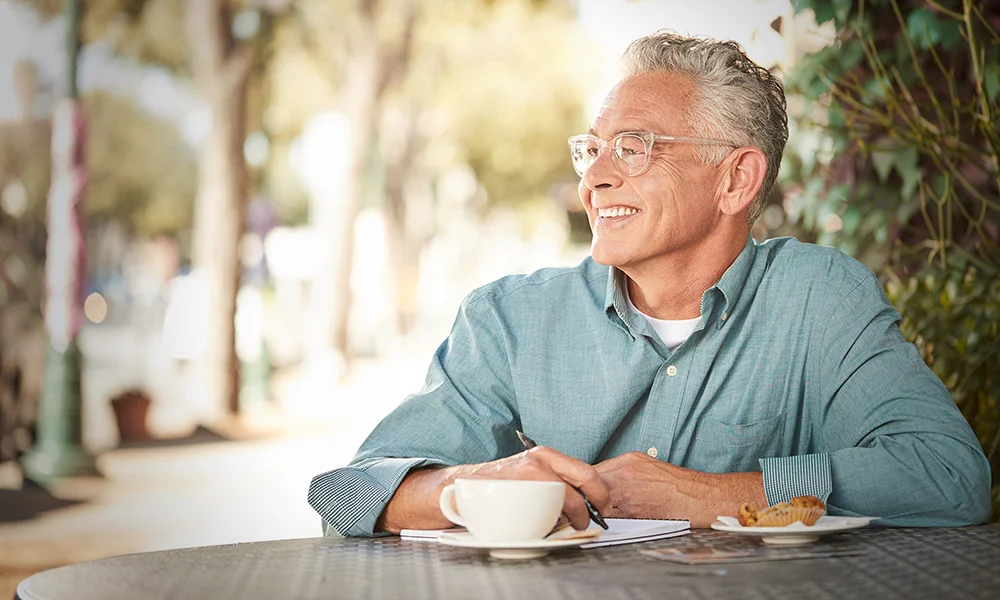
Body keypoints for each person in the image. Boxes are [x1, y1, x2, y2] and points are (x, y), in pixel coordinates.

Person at [308, 32, 992, 537]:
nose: (594, 177)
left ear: (735, 180)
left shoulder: (821, 300)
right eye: (591, 148)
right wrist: (473, 483)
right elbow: (351, 492)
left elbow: (951, 479)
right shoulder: (511, 317)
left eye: (633, 146)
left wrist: (703, 494)